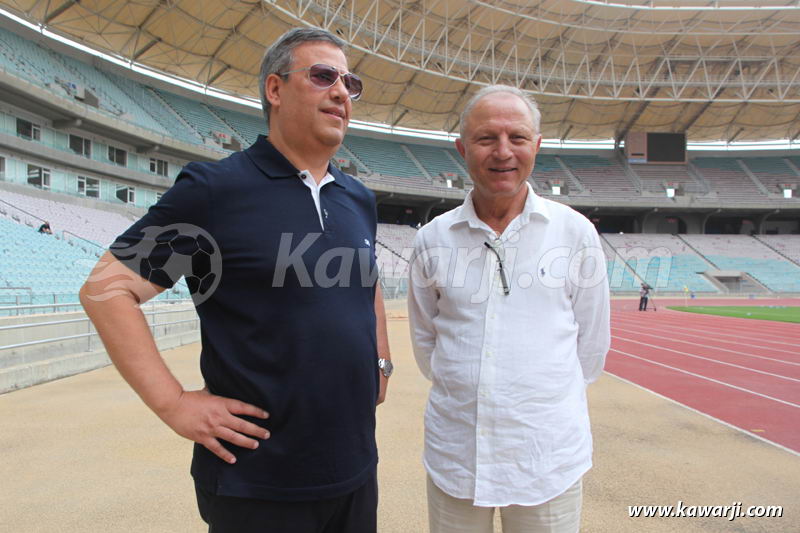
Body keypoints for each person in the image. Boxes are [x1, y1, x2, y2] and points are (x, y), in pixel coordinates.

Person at [80, 27, 392, 533]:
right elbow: (107, 289)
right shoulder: (215, 190)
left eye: (349, 83)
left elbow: (367, 279)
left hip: (355, 470)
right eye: (322, 76)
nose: (341, 92)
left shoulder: (357, 197)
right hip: (258, 483)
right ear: (274, 89)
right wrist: (173, 402)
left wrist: (381, 358)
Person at [408, 85, 610, 533]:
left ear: (536, 145)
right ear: (463, 148)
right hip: (457, 457)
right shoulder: (432, 239)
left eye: (517, 138)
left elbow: (591, 346)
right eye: (486, 139)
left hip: (546, 458)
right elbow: (427, 343)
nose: (503, 152)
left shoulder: (575, 234)